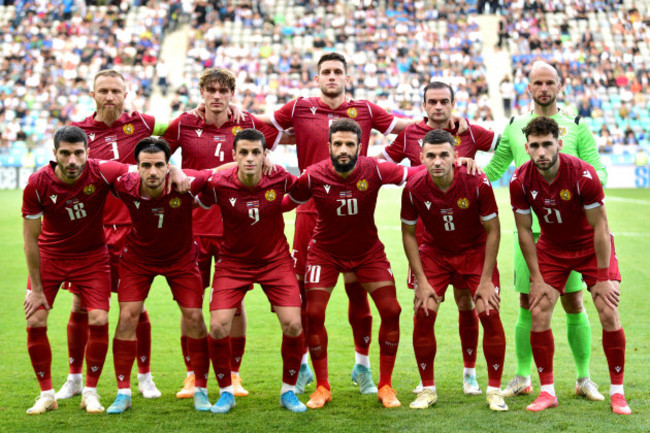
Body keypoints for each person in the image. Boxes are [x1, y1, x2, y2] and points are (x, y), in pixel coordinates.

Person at [269, 52, 467, 395]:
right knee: (306, 299)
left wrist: (444, 120)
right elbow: (260, 126)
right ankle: (303, 368)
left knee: (357, 290)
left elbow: (405, 125)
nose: (332, 77)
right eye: (326, 72)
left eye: (338, 72)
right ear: (317, 78)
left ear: (347, 77)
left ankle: (362, 368)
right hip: (308, 211)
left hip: (353, 212)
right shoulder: (298, 107)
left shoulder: (365, 110)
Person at [484, 61, 608, 400]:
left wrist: (586, 195)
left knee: (573, 301)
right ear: (527, 88)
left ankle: (583, 378)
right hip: (529, 233)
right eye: (537, 82)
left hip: (568, 234)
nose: (543, 88)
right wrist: (465, 167)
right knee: (528, 302)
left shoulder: (576, 127)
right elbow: (494, 169)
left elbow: (598, 171)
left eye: (549, 82)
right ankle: (523, 376)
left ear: (559, 86)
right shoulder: (514, 126)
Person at [163, 68, 282, 399]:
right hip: (194, 227)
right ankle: (192, 374)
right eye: (210, 90)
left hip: (235, 228)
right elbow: (156, 155)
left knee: (234, 304)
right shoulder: (184, 123)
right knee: (192, 305)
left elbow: (276, 143)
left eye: (223, 90)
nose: (216, 95)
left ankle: (233, 372)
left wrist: (267, 153)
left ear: (232, 93)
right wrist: (173, 167)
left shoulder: (248, 125)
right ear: (202, 92)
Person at [287, 118, 419, 409]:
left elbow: (414, 172)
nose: (343, 149)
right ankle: (322, 386)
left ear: (360, 146)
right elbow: (286, 199)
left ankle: (385, 384)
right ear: (329, 146)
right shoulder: (313, 175)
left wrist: (456, 163)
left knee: (391, 310)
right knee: (313, 313)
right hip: (325, 252)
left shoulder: (373, 168)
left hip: (367, 252)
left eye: (349, 144)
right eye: (338, 144)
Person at [57, 69, 170, 401]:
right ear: (93, 94)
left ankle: (145, 376)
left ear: (126, 93)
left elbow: (185, 129)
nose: (109, 96)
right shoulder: (77, 132)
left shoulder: (148, 125)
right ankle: (75, 377)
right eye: (103, 90)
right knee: (79, 305)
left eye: (115, 91)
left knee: (134, 306)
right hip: (89, 232)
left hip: (132, 230)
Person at [381, 81, 498, 395]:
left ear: (453, 103)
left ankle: (470, 373)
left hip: (468, 236)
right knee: (425, 303)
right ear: (423, 105)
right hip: (426, 240)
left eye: (444, 101)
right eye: (431, 101)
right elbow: (383, 163)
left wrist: (484, 171)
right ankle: (426, 378)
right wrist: (414, 176)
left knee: (467, 303)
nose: (438, 107)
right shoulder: (409, 135)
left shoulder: (469, 131)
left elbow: (507, 144)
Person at [510, 117, 630, 415]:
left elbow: (601, 226)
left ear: (559, 144)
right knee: (538, 309)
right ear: (527, 148)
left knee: (607, 307)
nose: (541, 152)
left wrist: (603, 277)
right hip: (552, 248)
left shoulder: (582, 174)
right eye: (535, 146)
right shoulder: (520, 180)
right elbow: (524, 230)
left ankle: (618, 393)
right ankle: (547, 391)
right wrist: (536, 278)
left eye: (547, 144)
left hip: (591, 246)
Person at [22, 126, 132, 414]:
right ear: (54, 154)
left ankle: (91, 392)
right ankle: (46, 395)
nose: (72, 161)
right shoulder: (37, 184)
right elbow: (30, 239)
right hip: (51, 255)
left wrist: (176, 170)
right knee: (35, 319)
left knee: (98, 317)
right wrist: (35, 288)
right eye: (66, 154)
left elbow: (144, 166)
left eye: (78, 153)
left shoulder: (101, 172)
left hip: (92, 257)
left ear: (88, 152)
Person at [195, 129, 305, 414]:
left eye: (256, 152)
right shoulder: (218, 183)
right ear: (234, 156)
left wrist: (283, 204)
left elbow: (301, 193)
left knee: (293, 324)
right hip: (233, 263)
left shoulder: (279, 177)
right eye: (243, 152)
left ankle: (288, 391)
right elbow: (200, 200)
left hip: (275, 262)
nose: (249, 158)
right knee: (218, 325)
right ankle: (226, 391)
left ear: (264, 154)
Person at [401, 130, 507, 411]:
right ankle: (427, 389)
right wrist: (421, 281)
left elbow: (494, 230)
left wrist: (486, 280)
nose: (438, 161)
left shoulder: (476, 181)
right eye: (431, 155)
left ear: (455, 156)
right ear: (421, 157)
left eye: (444, 155)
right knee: (423, 312)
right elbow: (409, 234)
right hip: (435, 254)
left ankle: (494, 390)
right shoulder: (413, 186)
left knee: (488, 311)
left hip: (475, 251)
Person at [106, 137, 212, 414]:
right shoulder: (124, 185)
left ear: (167, 166)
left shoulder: (186, 182)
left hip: (181, 261)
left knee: (195, 318)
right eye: (146, 165)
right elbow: (93, 168)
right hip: (138, 260)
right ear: (136, 167)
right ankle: (123, 393)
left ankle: (200, 387)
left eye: (159, 165)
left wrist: (264, 161)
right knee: (127, 316)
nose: (152, 172)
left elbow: (223, 170)